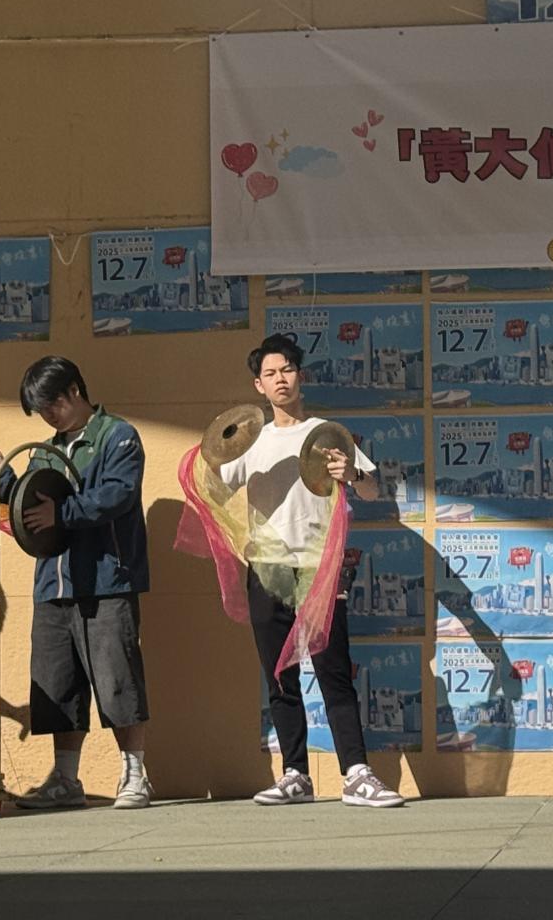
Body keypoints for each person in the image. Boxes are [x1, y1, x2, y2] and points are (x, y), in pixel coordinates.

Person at [226, 335, 404, 809]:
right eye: (270, 373)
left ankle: (357, 774)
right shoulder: (250, 441)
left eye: (287, 370)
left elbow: (372, 491)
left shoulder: (327, 433)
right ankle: (296, 774)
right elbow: (214, 485)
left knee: (333, 672)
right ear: (258, 385)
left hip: (319, 568)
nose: (280, 379)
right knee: (280, 677)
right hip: (266, 569)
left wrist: (353, 475)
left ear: (300, 375)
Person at [0, 357, 151, 810]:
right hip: (53, 585)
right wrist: (1, 475)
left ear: (74, 390)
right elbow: (27, 503)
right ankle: (66, 780)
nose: (47, 416)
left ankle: (135, 775)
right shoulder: (44, 450)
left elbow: (118, 493)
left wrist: (63, 512)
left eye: (51, 404)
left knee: (118, 679)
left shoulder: (118, 435)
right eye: (40, 410)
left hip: (106, 581)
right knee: (57, 684)